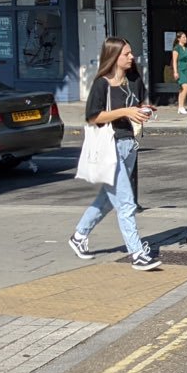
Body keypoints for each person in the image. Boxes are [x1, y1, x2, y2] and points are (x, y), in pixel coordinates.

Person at [68, 36, 161, 271]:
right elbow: (93, 117)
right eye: (126, 54)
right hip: (110, 145)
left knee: (108, 199)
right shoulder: (102, 83)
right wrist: (125, 111)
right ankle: (137, 253)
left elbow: (138, 107)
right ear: (114, 57)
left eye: (131, 53)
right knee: (127, 203)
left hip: (128, 145)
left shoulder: (134, 80)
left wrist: (144, 110)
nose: (132, 57)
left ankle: (79, 236)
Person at [170, 31, 187, 114]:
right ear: (179, 39)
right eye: (183, 37)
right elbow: (174, 61)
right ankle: (181, 106)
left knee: (182, 89)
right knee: (186, 87)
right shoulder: (176, 48)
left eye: (185, 37)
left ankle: (180, 107)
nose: (185, 39)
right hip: (180, 69)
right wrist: (175, 72)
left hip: (186, 70)